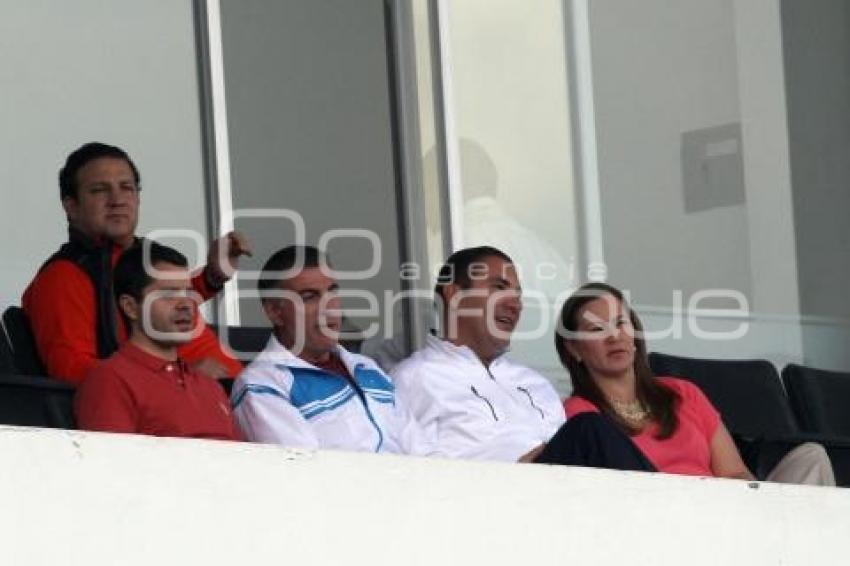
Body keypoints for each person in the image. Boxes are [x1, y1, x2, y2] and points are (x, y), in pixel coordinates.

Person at [392, 246, 655, 469]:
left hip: (566, 499)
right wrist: (516, 473)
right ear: (454, 295)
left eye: (518, 295)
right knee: (589, 428)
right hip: (490, 505)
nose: (514, 304)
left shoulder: (533, 382)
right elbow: (414, 476)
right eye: (499, 288)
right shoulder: (415, 377)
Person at [557, 282, 835, 485]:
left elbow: (735, 473)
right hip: (656, 522)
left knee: (811, 456)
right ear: (574, 350)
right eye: (597, 329)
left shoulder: (682, 392)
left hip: (722, 511)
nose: (614, 336)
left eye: (621, 323)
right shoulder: (579, 417)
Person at [22, 142, 250, 383]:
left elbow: (154, 301)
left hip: (235, 398)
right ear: (72, 206)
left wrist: (212, 276)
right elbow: (71, 372)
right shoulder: (63, 276)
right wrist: (181, 377)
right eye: (99, 190)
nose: (117, 200)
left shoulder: (140, 255)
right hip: (182, 411)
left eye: (127, 188)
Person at [231, 245, 432, 455]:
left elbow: (423, 452)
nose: (329, 306)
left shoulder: (367, 367)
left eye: (332, 291)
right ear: (275, 312)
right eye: (309, 296)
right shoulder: (261, 384)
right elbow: (307, 474)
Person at [75, 242, 241, 440]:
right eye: (169, 294)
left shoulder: (210, 385)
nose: (186, 305)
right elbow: (112, 467)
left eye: (188, 293)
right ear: (130, 307)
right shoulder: (109, 380)